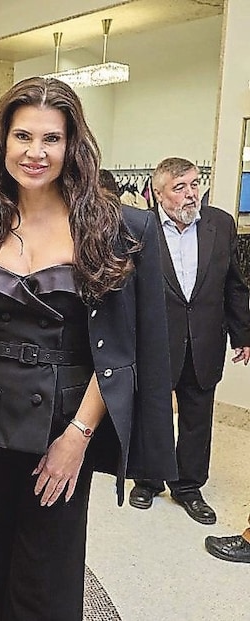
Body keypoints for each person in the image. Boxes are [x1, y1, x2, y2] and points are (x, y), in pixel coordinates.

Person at [0, 76, 177, 621]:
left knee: (45, 585)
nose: (35, 152)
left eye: (51, 139)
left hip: (61, 421)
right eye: (22, 136)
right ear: (2, 141)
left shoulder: (116, 226)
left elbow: (124, 348)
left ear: (72, 144)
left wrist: (77, 436)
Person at [130, 157, 250, 524]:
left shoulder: (220, 224)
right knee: (153, 412)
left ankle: (188, 486)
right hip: (156, 341)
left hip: (204, 339)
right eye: (179, 188)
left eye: (194, 184)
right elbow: (127, 290)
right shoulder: (140, 228)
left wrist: (243, 334)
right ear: (158, 193)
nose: (190, 194)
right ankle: (148, 479)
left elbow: (234, 283)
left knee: (198, 414)